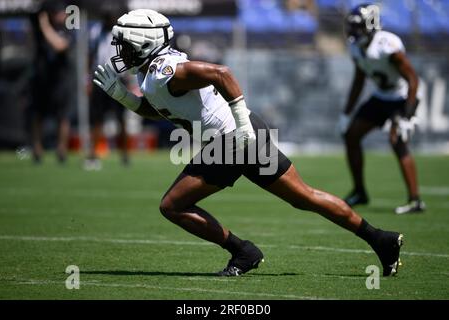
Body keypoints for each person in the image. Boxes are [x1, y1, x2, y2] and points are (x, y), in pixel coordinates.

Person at [93, 9, 403, 277]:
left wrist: (241, 127)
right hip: (241, 136)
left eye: (127, 46)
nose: (122, 53)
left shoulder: (166, 70)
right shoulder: (155, 73)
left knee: (172, 206)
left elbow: (222, 74)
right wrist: (123, 97)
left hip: (232, 142)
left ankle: (243, 251)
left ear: (146, 44)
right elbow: (162, 108)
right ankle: (381, 239)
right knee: (304, 197)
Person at [339, 4, 425, 215]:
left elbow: (413, 80)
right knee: (351, 136)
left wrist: (408, 114)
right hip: (380, 97)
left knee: (397, 142)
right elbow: (358, 81)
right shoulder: (356, 47)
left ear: (370, 25)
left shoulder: (387, 44)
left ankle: (415, 200)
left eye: (357, 27)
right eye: (352, 28)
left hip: (401, 97)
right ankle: (360, 192)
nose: (353, 33)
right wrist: (346, 113)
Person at [85, 9, 130, 171]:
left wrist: (129, 78)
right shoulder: (96, 31)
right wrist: (88, 80)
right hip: (100, 77)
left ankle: (125, 154)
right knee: (97, 119)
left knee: (121, 119)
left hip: (119, 78)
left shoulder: (122, 31)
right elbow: (90, 56)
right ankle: (94, 154)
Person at [30, 0, 73, 164]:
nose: (62, 15)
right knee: (38, 113)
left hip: (60, 79)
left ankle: (61, 150)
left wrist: (45, 26)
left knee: (63, 116)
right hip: (42, 77)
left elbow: (59, 45)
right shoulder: (39, 30)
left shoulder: (65, 30)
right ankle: (37, 149)